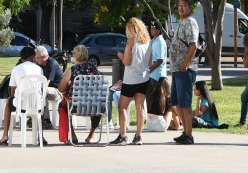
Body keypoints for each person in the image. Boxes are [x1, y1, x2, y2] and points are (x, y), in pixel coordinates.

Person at [110, 17, 151, 145]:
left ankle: (122, 136)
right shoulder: (148, 42)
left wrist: (121, 55)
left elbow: (127, 62)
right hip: (144, 78)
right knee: (140, 107)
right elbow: (150, 61)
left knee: (122, 106)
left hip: (131, 79)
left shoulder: (130, 42)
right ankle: (138, 136)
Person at [168, 0, 199, 145]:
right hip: (176, 69)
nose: (181, 7)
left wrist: (185, 64)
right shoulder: (181, 22)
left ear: (190, 7)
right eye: (179, 5)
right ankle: (185, 131)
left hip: (185, 69)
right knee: (176, 102)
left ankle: (189, 134)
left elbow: (193, 46)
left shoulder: (190, 22)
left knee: (185, 104)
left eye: (184, 5)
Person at [0, 46, 44, 146]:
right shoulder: (40, 69)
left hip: (21, 104)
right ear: (33, 57)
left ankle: (5, 134)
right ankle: (40, 136)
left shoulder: (16, 69)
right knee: (39, 100)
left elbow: (13, 89)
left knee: (8, 101)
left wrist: (12, 98)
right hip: (37, 104)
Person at [57, 44, 102, 144]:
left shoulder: (72, 70)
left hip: (75, 106)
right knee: (96, 101)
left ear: (75, 56)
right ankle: (91, 135)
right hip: (94, 107)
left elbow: (60, 88)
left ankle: (72, 134)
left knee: (62, 105)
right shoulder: (94, 69)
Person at [35, 45, 63, 128]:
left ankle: (46, 120)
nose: (36, 60)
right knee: (38, 91)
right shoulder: (40, 64)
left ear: (44, 57)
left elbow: (46, 82)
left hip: (58, 91)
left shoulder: (52, 63)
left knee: (43, 90)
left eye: (37, 58)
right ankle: (32, 117)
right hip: (48, 89)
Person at [146, 19, 167, 88]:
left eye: (153, 29)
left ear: (158, 30)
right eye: (151, 29)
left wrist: (150, 69)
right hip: (152, 75)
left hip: (158, 76)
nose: (151, 30)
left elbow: (160, 60)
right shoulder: (154, 41)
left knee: (155, 98)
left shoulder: (160, 42)